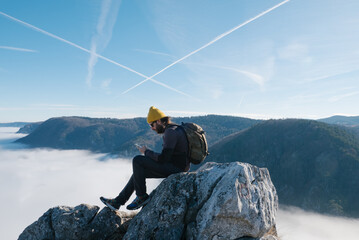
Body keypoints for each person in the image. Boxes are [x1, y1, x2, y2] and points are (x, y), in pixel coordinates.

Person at [100, 106, 190, 211]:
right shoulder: (175, 128)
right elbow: (167, 156)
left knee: (138, 160)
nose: (151, 128)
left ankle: (141, 196)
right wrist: (149, 153)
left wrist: (146, 152)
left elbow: (163, 159)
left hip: (175, 168)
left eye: (152, 124)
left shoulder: (171, 132)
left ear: (159, 121)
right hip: (178, 166)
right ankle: (118, 202)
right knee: (138, 173)